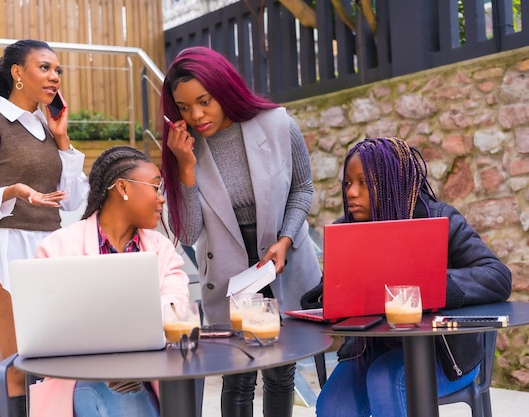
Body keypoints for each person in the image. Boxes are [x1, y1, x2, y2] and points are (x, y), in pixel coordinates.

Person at [159, 46, 321, 417]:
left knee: (282, 372)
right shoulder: (184, 147)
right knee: (238, 375)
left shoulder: (278, 124)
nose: (196, 115)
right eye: (184, 108)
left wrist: (285, 240)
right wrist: (186, 168)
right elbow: (188, 233)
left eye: (204, 101)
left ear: (225, 89)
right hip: (229, 273)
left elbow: (303, 188)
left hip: (281, 262)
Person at [301, 137, 512, 417]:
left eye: (364, 183)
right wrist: (327, 296)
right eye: (348, 183)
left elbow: (497, 276)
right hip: (371, 351)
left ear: (391, 184)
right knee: (332, 408)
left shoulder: (440, 219)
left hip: (442, 355)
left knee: (385, 380)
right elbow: (333, 292)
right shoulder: (346, 231)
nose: (352, 192)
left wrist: (434, 286)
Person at [0, 40, 90, 417]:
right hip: (3, 251)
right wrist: (11, 191)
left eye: (58, 70)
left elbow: (74, 200)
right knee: (17, 366)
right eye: (44, 68)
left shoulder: (48, 129)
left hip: (50, 250)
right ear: (17, 74)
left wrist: (63, 141)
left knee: (53, 365)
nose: (54, 77)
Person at [33, 145, 191, 417]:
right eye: (155, 187)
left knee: (126, 393)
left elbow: (176, 310)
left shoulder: (163, 251)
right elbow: (43, 328)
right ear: (123, 188)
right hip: (80, 377)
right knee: (112, 392)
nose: (161, 198)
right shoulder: (57, 247)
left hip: (146, 376)